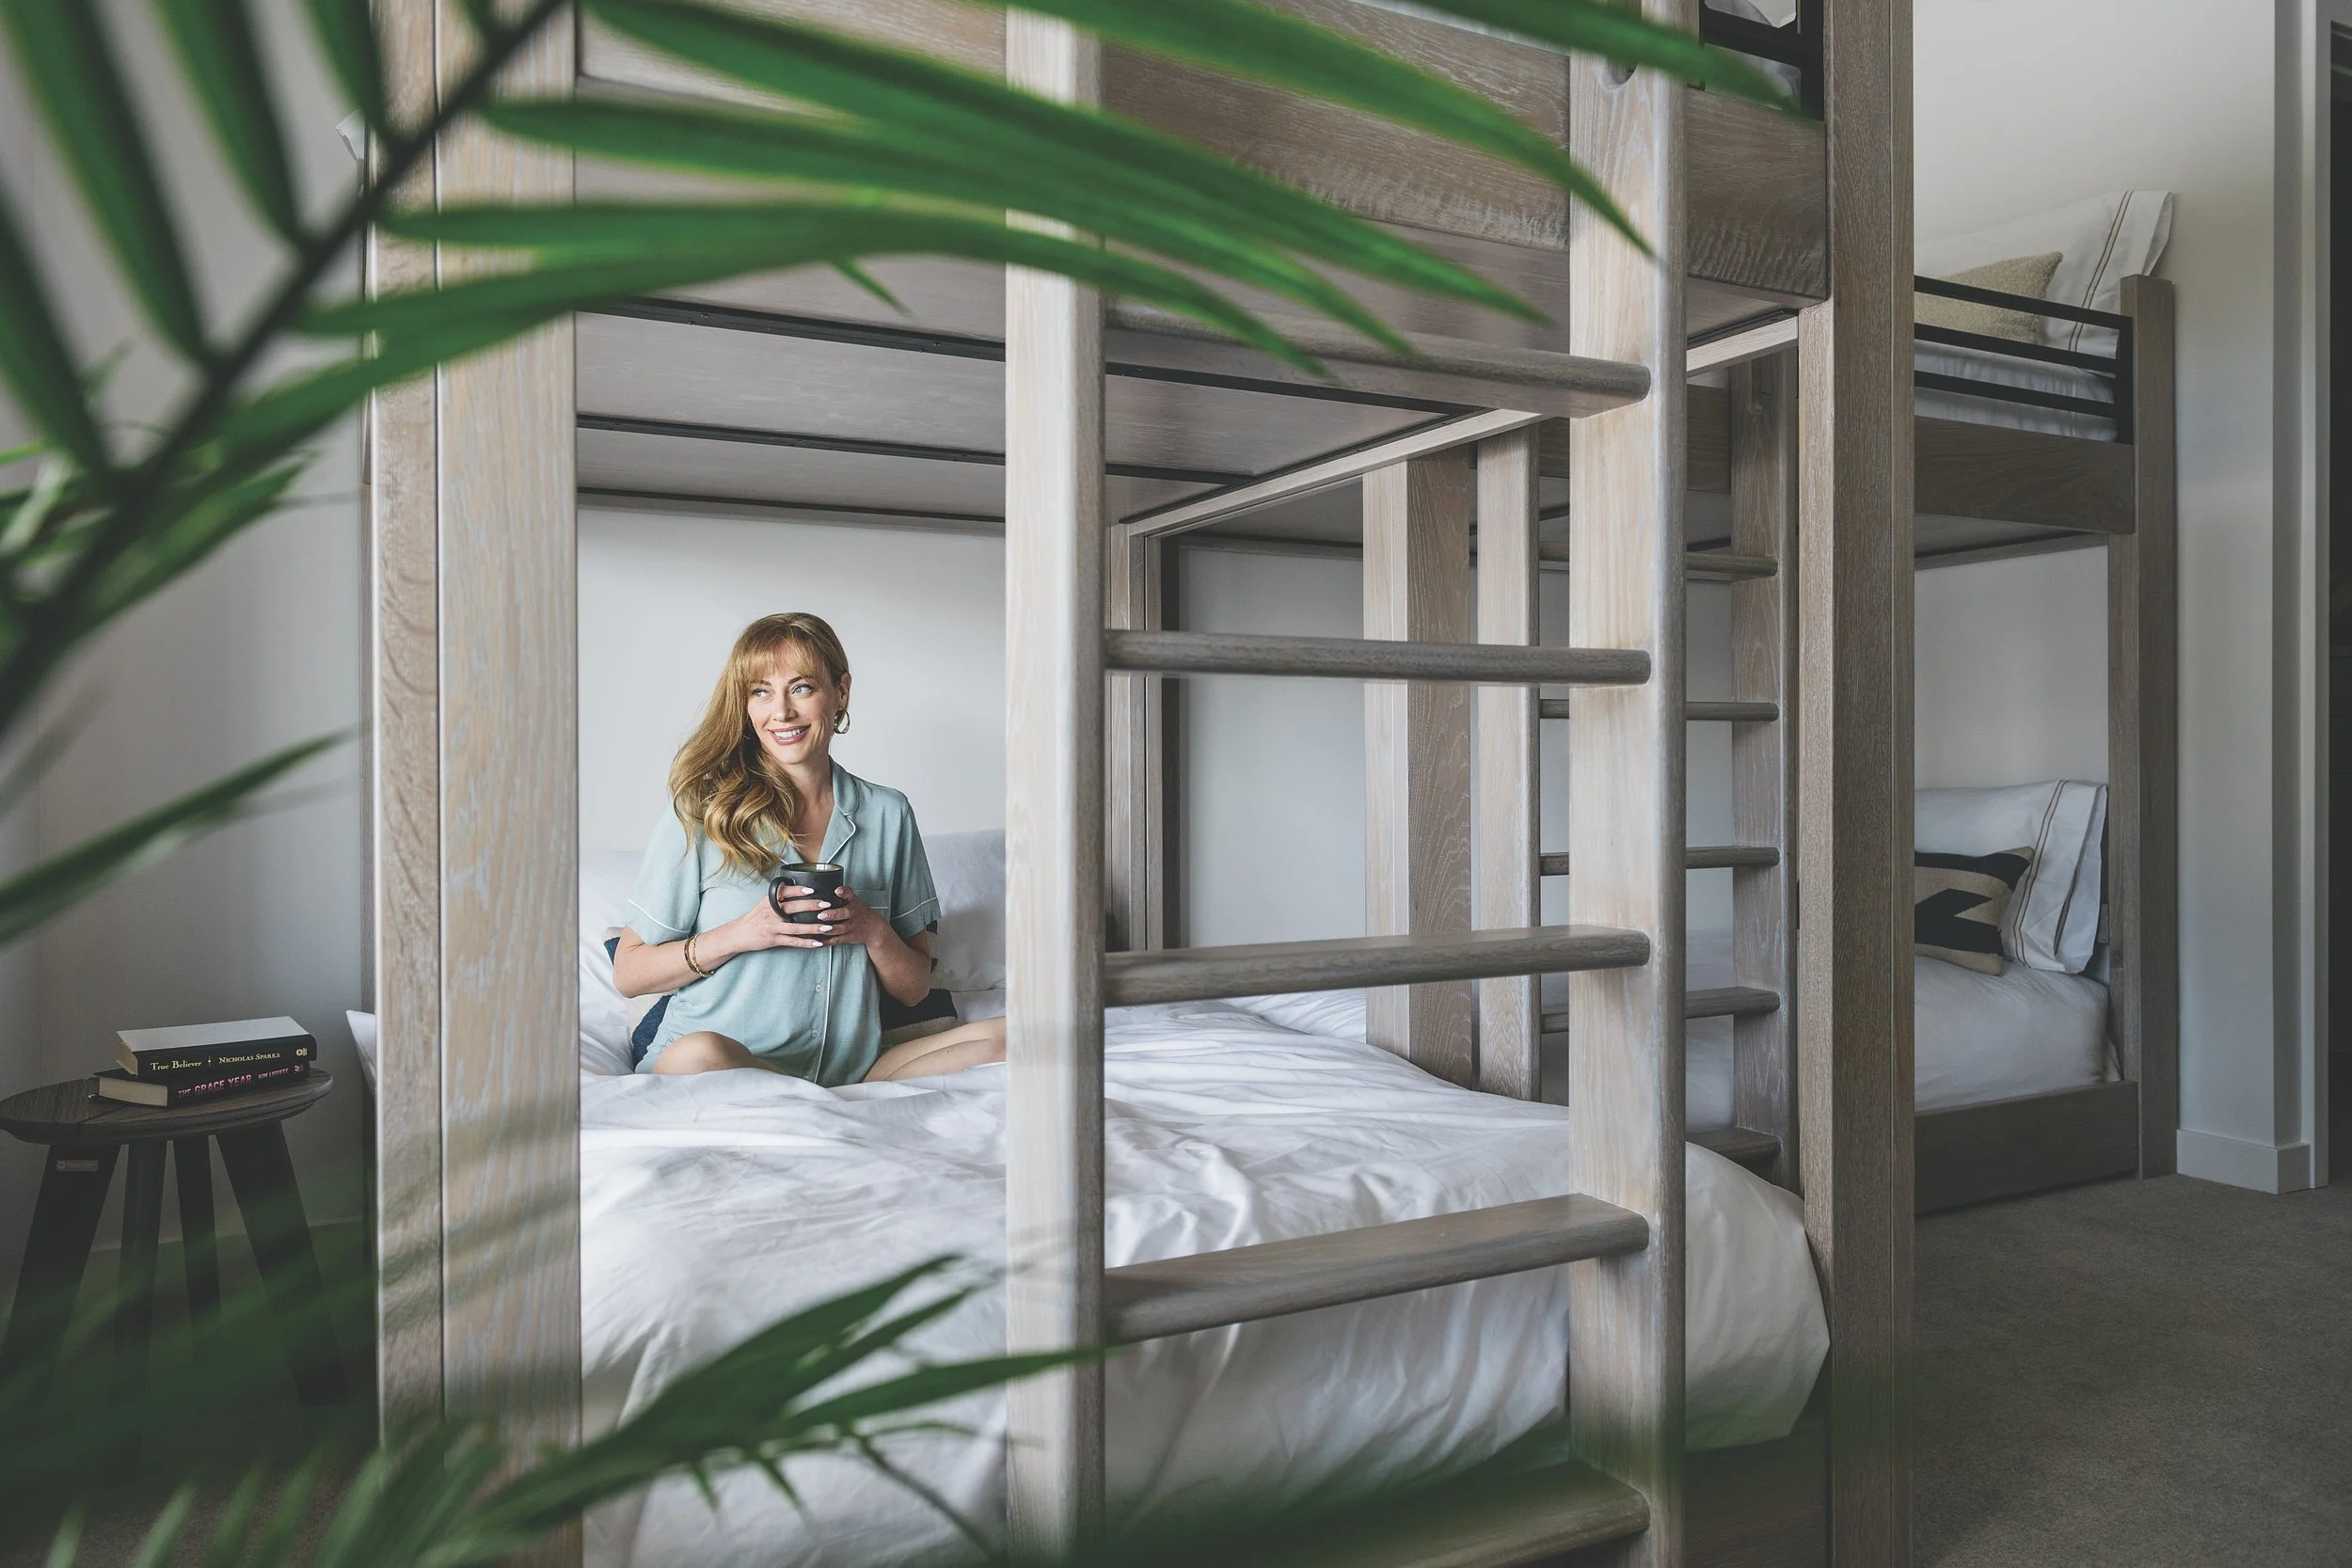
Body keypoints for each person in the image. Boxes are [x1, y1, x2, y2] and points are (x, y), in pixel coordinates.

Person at [612, 612, 1007, 1084]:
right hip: (722, 1062)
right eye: (760, 691)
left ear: (840, 692)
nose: (781, 712)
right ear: (745, 705)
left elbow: (914, 990)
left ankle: (818, 1104)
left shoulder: (889, 814)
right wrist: (744, 932)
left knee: (1012, 1036)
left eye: (801, 688)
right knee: (699, 1053)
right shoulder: (701, 813)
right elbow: (629, 974)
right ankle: (802, 1103)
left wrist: (873, 931)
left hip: (846, 1071)